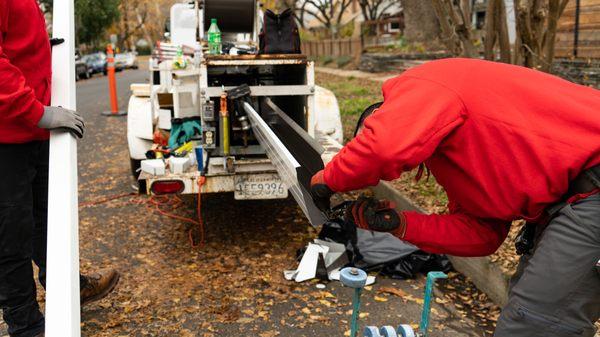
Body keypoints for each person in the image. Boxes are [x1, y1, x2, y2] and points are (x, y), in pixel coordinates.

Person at [311, 58, 600, 337]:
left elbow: (381, 148)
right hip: (575, 197)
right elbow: (482, 234)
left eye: (365, 136)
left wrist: (328, 178)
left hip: (592, 182)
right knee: (529, 307)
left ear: (385, 113)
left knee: (533, 322)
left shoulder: (423, 82)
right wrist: (400, 225)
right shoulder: (461, 151)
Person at [0, 1, 119, 336]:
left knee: (48, 220)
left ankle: (68, 288)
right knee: (12, 237)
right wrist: (36, 112)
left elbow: (16, 43)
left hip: (32, 132)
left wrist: (46, 54)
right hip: (6, 137)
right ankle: (26, 326)